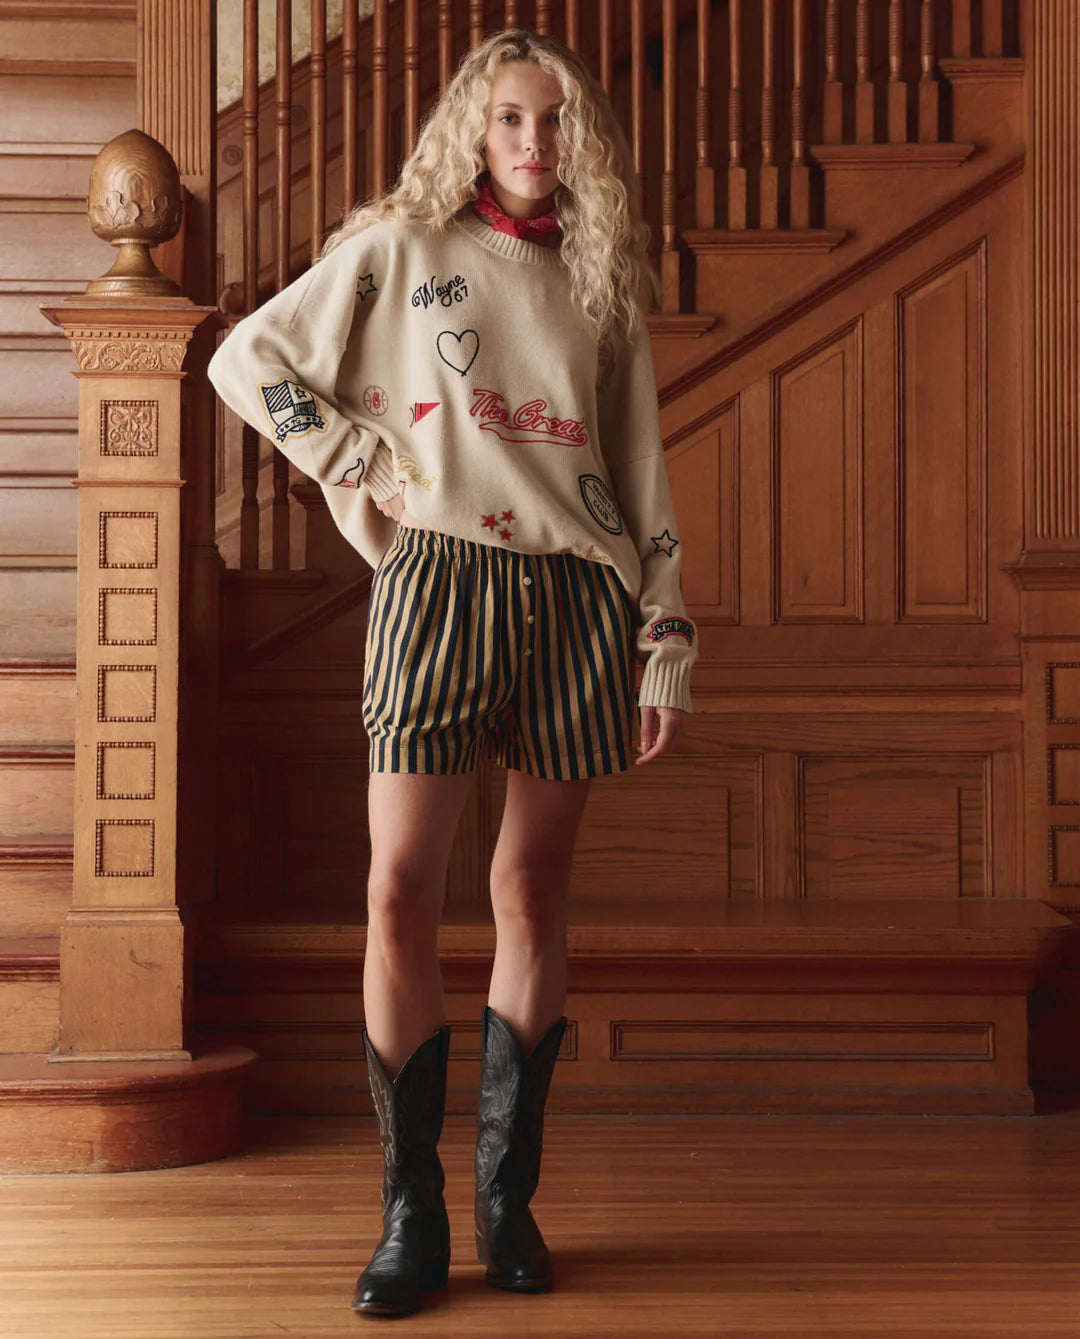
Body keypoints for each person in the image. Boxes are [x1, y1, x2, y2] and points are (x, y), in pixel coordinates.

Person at [207, 27, 699, 1319]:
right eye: (509, 119)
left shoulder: (599, 274)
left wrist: (663, 636)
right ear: (473, 132)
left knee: (530, 891)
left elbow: (639, 466)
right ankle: (410, 1211)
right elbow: (245, 359)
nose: (533, 141)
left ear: (579, 137)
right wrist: (356, 459)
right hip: (435, 585)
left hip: (578, 600)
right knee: (395, 896)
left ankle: (505, 1198)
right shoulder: (404, 248)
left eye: (553, 119)